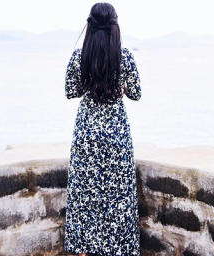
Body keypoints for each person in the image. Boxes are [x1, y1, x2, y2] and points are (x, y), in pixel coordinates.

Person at [64, 2, 141, 256]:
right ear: (114, 28)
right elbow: (137, 94)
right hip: (116, 134)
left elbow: (70, 91)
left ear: (89, 26)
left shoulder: (79, 57)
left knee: (85, 197)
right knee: (118, 200)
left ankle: (84, 250)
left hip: (87, 133)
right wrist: (120, 85)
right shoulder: (125, 57)